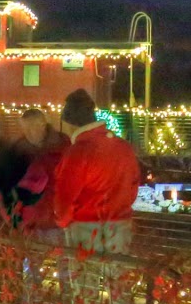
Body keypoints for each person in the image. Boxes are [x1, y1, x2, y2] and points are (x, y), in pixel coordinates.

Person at [52, 89, 141, 255]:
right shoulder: (123, 147)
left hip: (86, 225)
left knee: (86, 277)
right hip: (120, 224)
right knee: (117, 276)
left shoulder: (77, 152)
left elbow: (66, 195)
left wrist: (63, 221)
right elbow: (133, 184)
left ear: (70, 123)